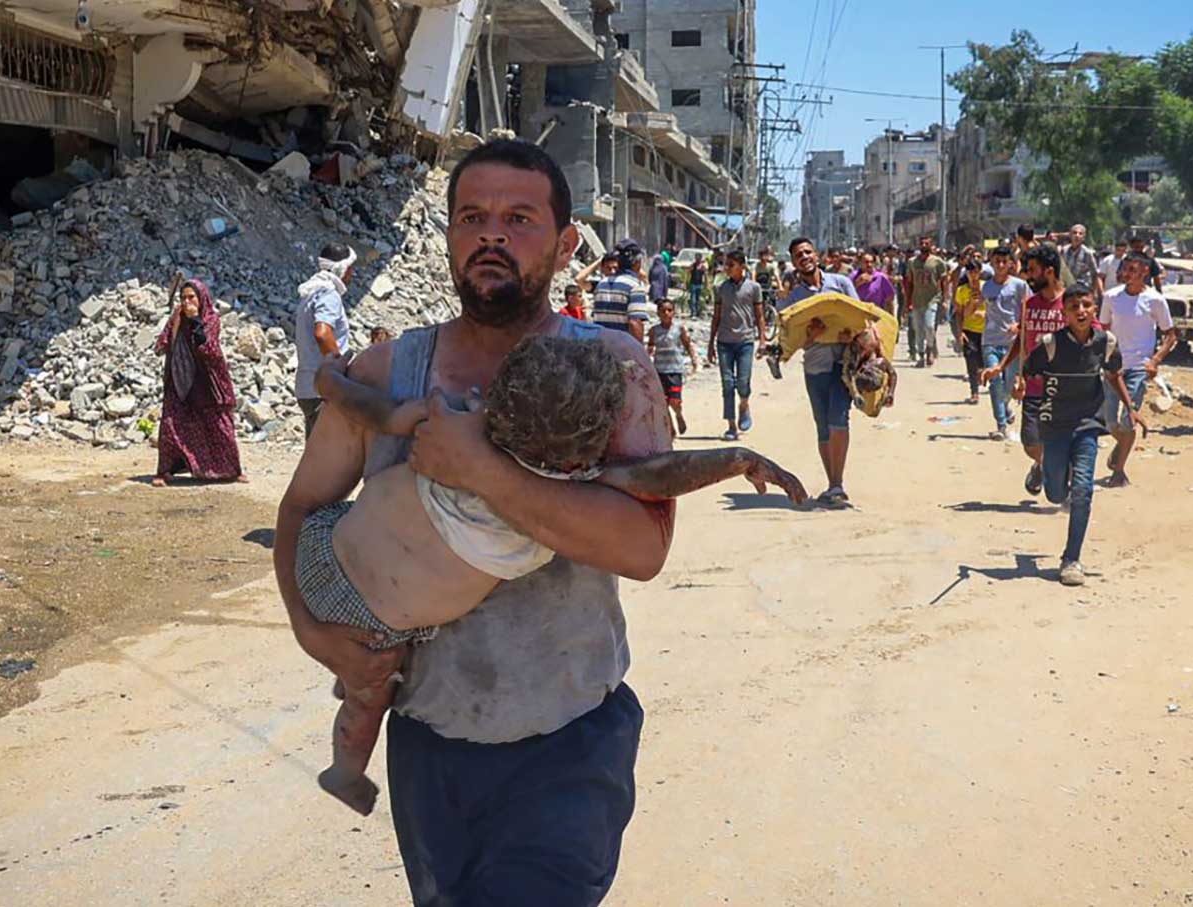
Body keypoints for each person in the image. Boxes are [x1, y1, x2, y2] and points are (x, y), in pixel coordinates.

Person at [274, 139, 670, 905]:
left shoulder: (612, 368)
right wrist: (312, 632)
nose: (491, 233)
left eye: (519, 218)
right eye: (472, 216)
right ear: (450, 236)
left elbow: (644, 546)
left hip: (571, 739)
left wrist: (481, 470)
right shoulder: (390, 371)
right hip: (431, 742)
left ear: (562, 246)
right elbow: (300, 507)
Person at [303, 335, 803, 815]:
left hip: (325, 546)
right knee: (371, 693)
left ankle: (349, 731)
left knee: (367, 681)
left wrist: (329, 381)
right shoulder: (563, 492)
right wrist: (737, 459)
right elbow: (654, 474)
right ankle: (345, 771)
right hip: (376, 616)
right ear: (585, 451)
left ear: (498, 399)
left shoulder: (448, 422)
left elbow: (370, 409)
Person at [1021, 284, 1145, 587]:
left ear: (1094, 309)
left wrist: (1131, 408)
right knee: (1055, 495)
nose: (1081, 311)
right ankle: (1043, 467)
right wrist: (1020, 387)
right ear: (1064, 312)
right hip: (1055, 425)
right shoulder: (1051, 343)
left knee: (1083, 491)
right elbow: (1029, 370)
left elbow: (1113, 375)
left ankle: (1071, 558)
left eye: (1086, 305)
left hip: (1088, 423)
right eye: (1074, 306)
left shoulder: (1106, 342)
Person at [981, 244, 1068, 495]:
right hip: (1034, 385)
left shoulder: (1072, 303)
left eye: (1031, 270)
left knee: (1065, 442)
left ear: (1049, 271)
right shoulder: (1030, 304)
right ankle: (1040, 464)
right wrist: (1002, 367)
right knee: (1031, 442)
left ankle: (1066, 487)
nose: (1027, 276)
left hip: (1065, 389)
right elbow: (1022, 339)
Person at [782, 236, 859, 507]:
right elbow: (787, 344)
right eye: (798, 255)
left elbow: (862, 318)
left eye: (807, 252)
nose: (804, 257)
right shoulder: (794, 300)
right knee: (823, 427)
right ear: (793, 262)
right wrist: (810, 337)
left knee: (839, 419)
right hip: (815, 368)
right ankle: (833, 482)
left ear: (817, 256)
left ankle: (837, 484)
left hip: (843, 364)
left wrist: (856, 336)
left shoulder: (841, 284)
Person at [153, 277, 245, 486]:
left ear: (201, 298)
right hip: (181, 376)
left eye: (191, 297)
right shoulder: (178, 317)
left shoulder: (210, 319)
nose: (187, 302)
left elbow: (208, 348)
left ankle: (232, 470)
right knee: (171, 424)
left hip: (208, 379)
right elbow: (164, 341)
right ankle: (165, 471)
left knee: (219, 424)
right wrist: (171, 332)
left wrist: (195, 321)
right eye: (183, 298)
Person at [1099, 254, 1177, 486]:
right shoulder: (1111, 297)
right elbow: (1103, 330)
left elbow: (1170, 335)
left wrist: (1155, 360)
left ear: (1144, 272)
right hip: (1113, 367)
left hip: (1138, 368)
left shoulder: (1155, 300)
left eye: (1134, 269)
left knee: (1128, 419)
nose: (1128, 273)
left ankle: (1119, 470)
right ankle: (1121, 446)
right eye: (1126, 269)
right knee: (1109, 421)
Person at [295, 243, 354, 437]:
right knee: (329, 457)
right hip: (323, 389)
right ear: (343, 269)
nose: (352, 274)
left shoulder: (311, 293)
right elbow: (322, 333)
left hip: (309, 387)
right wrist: (339, 369)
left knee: (317, 453)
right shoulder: (329, 294)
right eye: (351, 268)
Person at [708, 250, 764, 440]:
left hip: (745, 342)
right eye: (726, 264)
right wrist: (710, 344)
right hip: (724, 342)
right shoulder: (721, 288)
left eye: (731, 264)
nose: (727, 268)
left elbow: (759, 316)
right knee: (727, 383)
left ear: (742, 266)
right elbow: (716, 316)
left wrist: (763, 339)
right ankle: (731, 425)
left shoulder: (753, 288)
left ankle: (744, 404)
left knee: (743, 382)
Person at [976, 246, 1028, 441]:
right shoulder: (986, 287)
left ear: (1010, 264)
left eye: (1003, 261)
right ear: (991, 263)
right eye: (996, 261)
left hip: (1012, 344)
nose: (1000, 265)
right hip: (990, 340)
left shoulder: (1019, 285)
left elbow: (1026, 308)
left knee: (1008, 386)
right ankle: (1001, 425)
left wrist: (1019, 326)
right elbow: (982, 307)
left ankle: (1005, 406)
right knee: (994, 382)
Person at [649, 300, 701, 435]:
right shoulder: (654, 331)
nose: (666, 313)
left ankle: (678, 415)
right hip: (659, 370)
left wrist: (694, 360)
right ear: (658, 313)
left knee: (675, 400)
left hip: (675, 370)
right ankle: (670, 428)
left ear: (673, 312)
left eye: (669, 310)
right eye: (663, 311)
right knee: (663, 402)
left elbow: (687, 344)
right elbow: (650, 348)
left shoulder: (679, 329)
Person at [591, 238, 648, 341]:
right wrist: (639, 353)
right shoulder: (634, 286)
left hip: (600, 348)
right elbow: (634, 323)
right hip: (622, 350)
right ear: (637, 262)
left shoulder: (601, 284)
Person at [903, 237, 946, 368]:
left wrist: (945, 299)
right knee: (918, 329)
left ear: (931, 245)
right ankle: (921, 355)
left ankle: (930, 348)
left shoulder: (937, 262)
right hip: (917, 300)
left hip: (932, 299)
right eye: (921, 243)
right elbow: (909, 283)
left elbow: (944, 281)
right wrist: (907, 302)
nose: (924, 245)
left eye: (926, 243)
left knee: (930, 326)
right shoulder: (912, 262)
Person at [957, 262, 986, 404]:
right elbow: (960, 314)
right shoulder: (961, 290)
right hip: (969, 331)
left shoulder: (987, 287)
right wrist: (959, 332)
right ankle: (974, 392)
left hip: (987, 331)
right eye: (970, 272)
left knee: (983, 362)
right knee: (970, 360)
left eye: (976, 271)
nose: (973, 275)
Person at [1062, 223, 1102, 296]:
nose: (1077, 236)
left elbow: (1095, 274)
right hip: (1067, 288)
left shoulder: (1088, 253)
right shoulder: (1064, 251)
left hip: (1082, 288)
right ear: (1070, 236)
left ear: (1083, 238)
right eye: (1074, 233)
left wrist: (1094, 292)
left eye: (1080, 234)